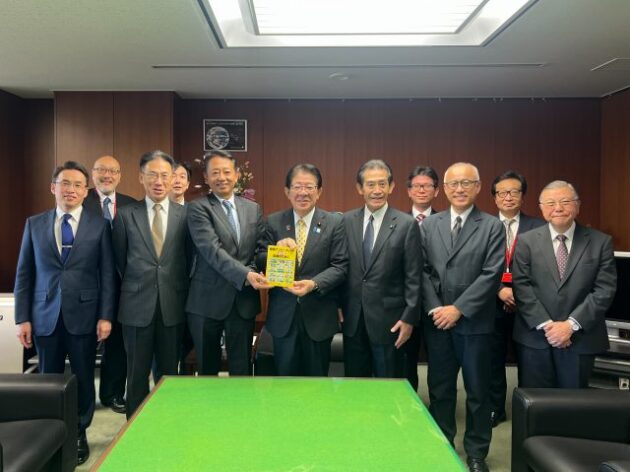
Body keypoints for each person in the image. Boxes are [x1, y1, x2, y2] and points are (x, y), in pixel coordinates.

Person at [14, 160, 116, 465]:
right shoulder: (34, 224)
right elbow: (24, 274)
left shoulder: (99, 225)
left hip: (84, 315)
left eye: (77, 185)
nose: (70, 190)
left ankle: (79, 432)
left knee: (83, 377)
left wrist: (105, 315)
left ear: (86, 191)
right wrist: (22, 318)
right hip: (44, 315)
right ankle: (50, 433)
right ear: (53, 187)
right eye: (65, 183)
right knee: (48, 379)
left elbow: (107, 274)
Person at [421, 162, 504, 472]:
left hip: (475, 323)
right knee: (440, 390)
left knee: (478, 392)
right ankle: (442, 444)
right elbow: (421, 271)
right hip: (438, 322)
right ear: (444, 189)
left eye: (466, 183)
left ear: (478, 187)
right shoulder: (430, 225)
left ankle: (477, 453)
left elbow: (491, 274)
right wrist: (436, 308)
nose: (459, 189)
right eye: (453, 184)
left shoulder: (492, 226)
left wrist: (458, 309)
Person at [512, 180, 616, 388]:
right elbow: (521, 287)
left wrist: (570, 325)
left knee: (574, 403)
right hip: (535, 338)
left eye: (565, 202)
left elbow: (604, 290)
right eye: (550, 203)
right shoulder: (526, 241)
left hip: (580, 338)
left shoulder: (600, 242)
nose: (558, 208)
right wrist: (548, 326)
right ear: (542, 208)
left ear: (577, 205)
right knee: (536, 402)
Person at [112, 150, 191, 418]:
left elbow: (189, 259)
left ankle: (166, 424)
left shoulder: (185, 215)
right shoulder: (125, 215)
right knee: (136, 374)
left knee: (169, 374)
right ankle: (134, 427)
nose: (159, 181)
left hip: (172, 305)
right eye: (152, 175)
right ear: (141, 178)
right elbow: (119, 262)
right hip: (136, 307)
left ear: (172, 179)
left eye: (165, 175)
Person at [258, 164, 348, 376]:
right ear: (287, 191)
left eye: (309, 187)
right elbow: (259, 259)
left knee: (317, 383)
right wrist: (276, 251)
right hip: (284, 317)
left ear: (319, 191)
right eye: (297, 187)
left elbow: (340, 266)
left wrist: (314, 284)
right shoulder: (273, 221)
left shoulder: (334, 223)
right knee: (285, 381)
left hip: (319, 316)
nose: (303, 192)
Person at [186, 150, 269, 376]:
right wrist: (246, 275)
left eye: (226, 172)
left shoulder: (253, 208)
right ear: (206, 177)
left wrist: (276, 254)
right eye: (215, 173)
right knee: (207, 370)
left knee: (241, 369)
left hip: (243, 301)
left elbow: (260, 249)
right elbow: (211, 250)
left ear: (237, 175)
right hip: (206, 301)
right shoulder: (198, 208)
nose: (221, 177)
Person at [342, 159, 421, 378]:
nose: (377, 190)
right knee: (355, 385)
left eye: (382, 184)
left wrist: (409, 319)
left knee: (388, 384)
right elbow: (340, 267)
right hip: (353, 320)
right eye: (370, 184)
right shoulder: (346, 221)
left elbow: (414, 277)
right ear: (360, 188)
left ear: (391, 186)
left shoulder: (406, 224)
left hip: (390, 321)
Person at [488, 170, 545, 427]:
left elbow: (544, 269)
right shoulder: (484, 225)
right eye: (502, 193)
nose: (508, 197)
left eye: (514, 192)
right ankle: (495, 408)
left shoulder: (539, 227)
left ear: (523, 196)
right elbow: (476, 265)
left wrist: (520, 293)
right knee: (493, 359)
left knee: (529, 360)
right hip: (492, 302)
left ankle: (528, 410)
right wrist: (499, 288)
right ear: (494, 197)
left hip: (528, 304)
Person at [83, 154, 136, 415]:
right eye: (101, 170)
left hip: (121, 288)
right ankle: (82, 399)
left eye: (113, 171)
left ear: (119, 175)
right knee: (83, 346)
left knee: (117, 346)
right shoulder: (81, 200)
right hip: (88, 287)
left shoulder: (130, 204)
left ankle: (112, 393)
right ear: (92, 173)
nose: (107, 175)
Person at [404, 165, 440, 392]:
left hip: (436, 304)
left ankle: (436, 405)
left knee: (438, 361)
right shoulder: (397, 221)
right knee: (405, 361)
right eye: (417, 186)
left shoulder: (445, 222)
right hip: (405, 305)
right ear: (409, 191)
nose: (421, 190)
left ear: (436, 191)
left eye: (427, 186)